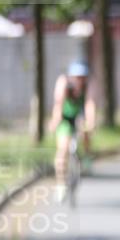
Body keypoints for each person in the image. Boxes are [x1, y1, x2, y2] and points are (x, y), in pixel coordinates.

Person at [49, 61, 96, 202]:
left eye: (82, 77)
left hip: (79, 115)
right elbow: (58, 103)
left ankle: (87, 156)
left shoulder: (89, 85)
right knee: (62, 149)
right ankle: (60, 184)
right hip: (65, 117)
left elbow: (90, 104)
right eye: (76, 77)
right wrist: (55, 121)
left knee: (86, 131)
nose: (79, 80)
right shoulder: (63, 83)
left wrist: (91, 122)